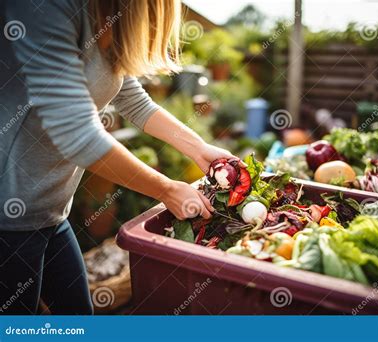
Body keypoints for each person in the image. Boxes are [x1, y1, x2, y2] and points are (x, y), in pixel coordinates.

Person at [0, 0, 239, 314]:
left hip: (51, 212)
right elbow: (79, 136)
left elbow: (133, 100)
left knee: (78, 319)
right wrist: (167, 190)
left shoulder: (107, 20)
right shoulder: (45, 10)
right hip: (10, 221)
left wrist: (200, 149)